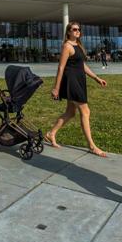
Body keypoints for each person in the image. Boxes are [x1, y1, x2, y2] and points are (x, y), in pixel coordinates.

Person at [45, 21, 107, 156]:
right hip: (71, 81)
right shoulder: (67, 46)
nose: (77, 31)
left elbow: (82, 66)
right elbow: (61, 67)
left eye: (79, 29)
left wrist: (96, 78)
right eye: (74, 29)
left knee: (70, 112)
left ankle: (51, 133)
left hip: (79, 80)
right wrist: (56, 88)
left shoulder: (78, 45)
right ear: (68, 32)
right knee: (85, 111)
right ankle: (92, 146)